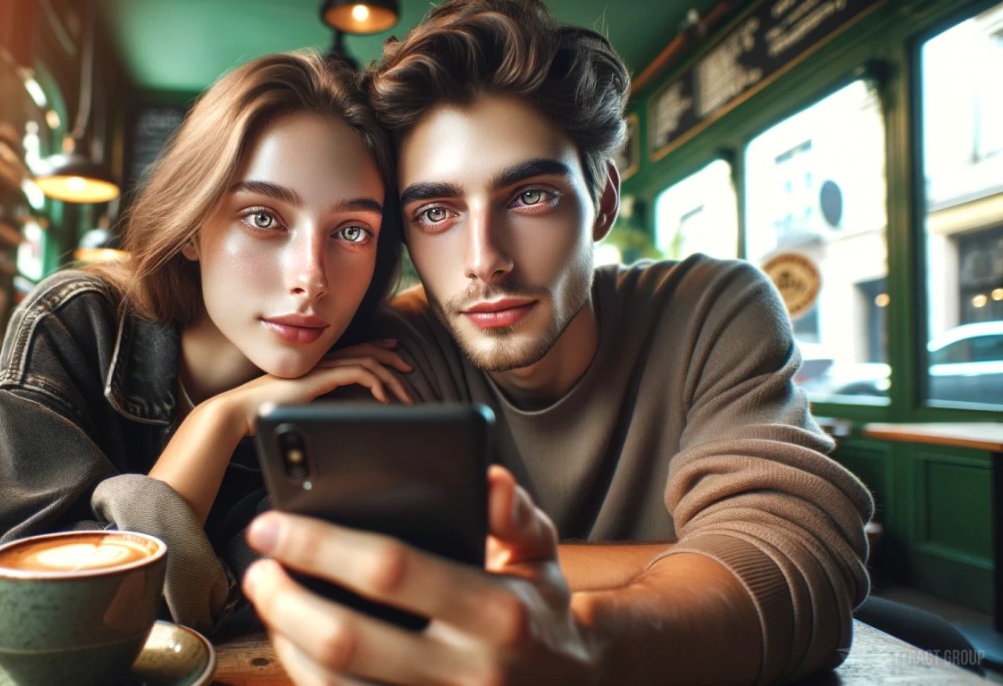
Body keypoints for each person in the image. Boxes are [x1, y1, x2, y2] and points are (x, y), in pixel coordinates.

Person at [239, 1, 875, 683]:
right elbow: (348, 568)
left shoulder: (711, 308)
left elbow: (801, 562)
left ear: (601, 200)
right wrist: (682, 558)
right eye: (436, 212)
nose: (485, 259)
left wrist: (584, 647)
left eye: (530, 196)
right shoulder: (392, 347)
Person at [0, 51, 411, 644]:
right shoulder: (79, 321)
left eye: (351, 231)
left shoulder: (358, 386)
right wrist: (217, 421)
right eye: (264, 217)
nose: (310, 277)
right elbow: (37, 624)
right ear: (191, 228)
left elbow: (258, 618)